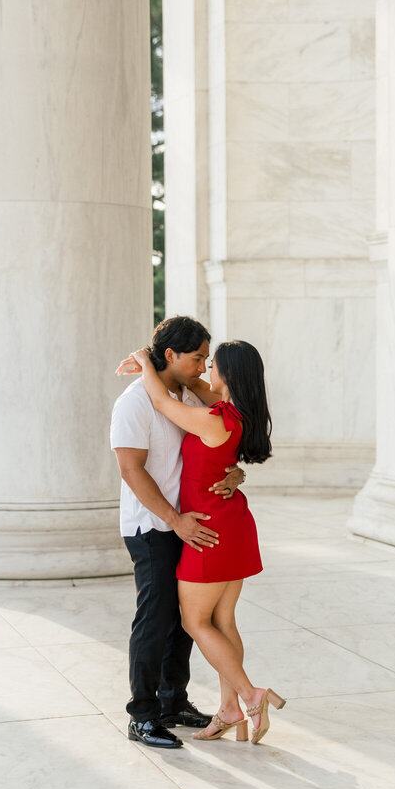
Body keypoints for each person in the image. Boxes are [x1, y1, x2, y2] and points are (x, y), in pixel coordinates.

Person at [129, 338, 286, 745]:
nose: (204, 370)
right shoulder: (233, 413)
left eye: (211, 364)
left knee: (194, 622)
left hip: (209, 532)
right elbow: (194, 390)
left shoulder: (215, 420)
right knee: (222, 621)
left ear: (227, 375)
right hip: (231, 526)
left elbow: (163, 404)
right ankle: (230, 708)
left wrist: (144, 362)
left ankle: (251, 695)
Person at [110, 315, 245, 749]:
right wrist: (174, 519)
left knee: (184, 622)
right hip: (153, 526)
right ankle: (142, 716)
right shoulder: (134, 403)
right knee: (154, 619)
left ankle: (173, 702)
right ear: (170, 354)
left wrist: (234, 474)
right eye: (198, 357)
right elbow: (131, 471)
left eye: (209, 359)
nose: (205, 366)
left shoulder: (187, 395)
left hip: (188, 524)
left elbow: (217, 446)